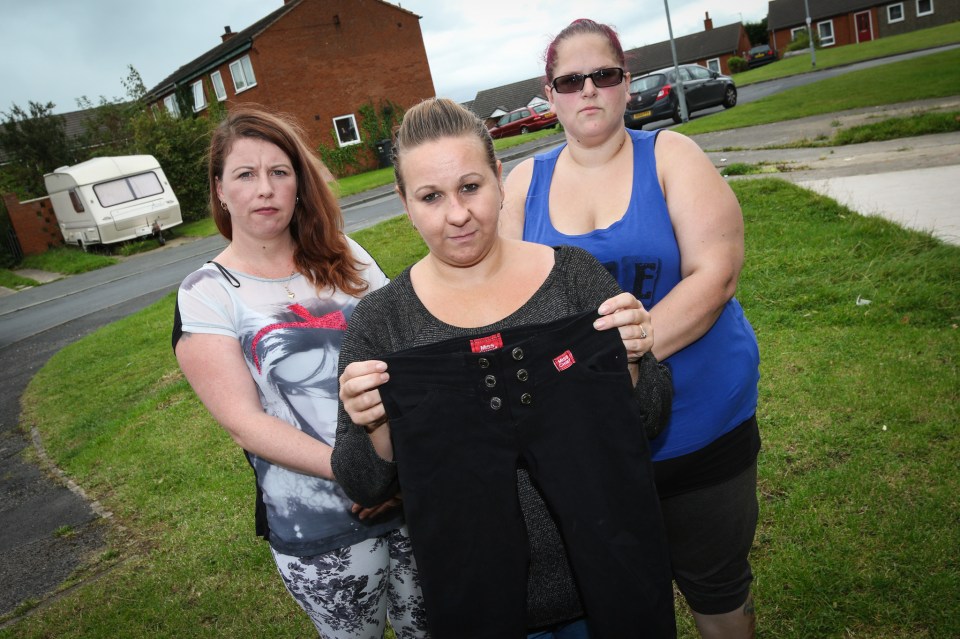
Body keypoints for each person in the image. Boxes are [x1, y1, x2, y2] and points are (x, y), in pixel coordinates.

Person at [331, 97, 676, 639]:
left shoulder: (574, 279)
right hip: (476, 604)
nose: (457, 214)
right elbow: (362, 482)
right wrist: (373, 423)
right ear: (404, 202)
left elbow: (651, 414)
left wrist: (630, 361)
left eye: (470, 186)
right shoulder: (382, 324)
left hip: (608, 586)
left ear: (498, 177)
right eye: (430, 196)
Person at [500, 18, 762, 639]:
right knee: (614, 600)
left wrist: (622, 352)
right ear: (550, 92)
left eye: (604, 75)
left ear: (625, 82)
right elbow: (499, 300)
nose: (587, 89)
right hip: (586, 450)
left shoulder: (672, 154)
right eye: (570, 80)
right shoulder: (523, 183)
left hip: (699, 427)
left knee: (717, 592)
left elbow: (716, 274)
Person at [171, 105, 429, 638]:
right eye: (245, 174)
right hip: (318, 526)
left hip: (412, 496)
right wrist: (359, 471)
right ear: (220, 189)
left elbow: (406, 354)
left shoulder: (347, 255)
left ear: (298, 185)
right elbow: (246, 423)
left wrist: (400, 469)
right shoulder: (206, 292)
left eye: (279, 172)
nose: (264, 188)